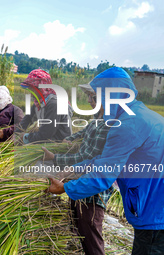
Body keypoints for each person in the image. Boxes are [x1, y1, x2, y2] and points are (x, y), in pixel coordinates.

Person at [45, 67, 164, 254]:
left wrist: (65, 188)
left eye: (97, 96)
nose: (93, 102)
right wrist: (71, 170)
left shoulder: (126, 126)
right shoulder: (143, 115)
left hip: (155, 214)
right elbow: (102, 160)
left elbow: (102, 175)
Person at [42, 83, 113, 255]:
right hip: (79, 184)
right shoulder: (96, 118)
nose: (89, 100)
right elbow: (82, 133)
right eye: (89, 96)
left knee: (91, 236)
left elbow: (87, 157)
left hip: (92, 190)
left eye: (93, 97)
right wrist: (69, 139)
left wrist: (55, 158)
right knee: (78, 229)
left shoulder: (108, 124)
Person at [16, 69, 73, 144]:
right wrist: (12, 135)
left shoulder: (54, 104)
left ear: (40, 88)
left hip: (60, 145)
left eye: (32, 90)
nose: (31, 94)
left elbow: (46, 134)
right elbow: (26, 121)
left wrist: (25, 137)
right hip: (48, 141)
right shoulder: (39, 103)